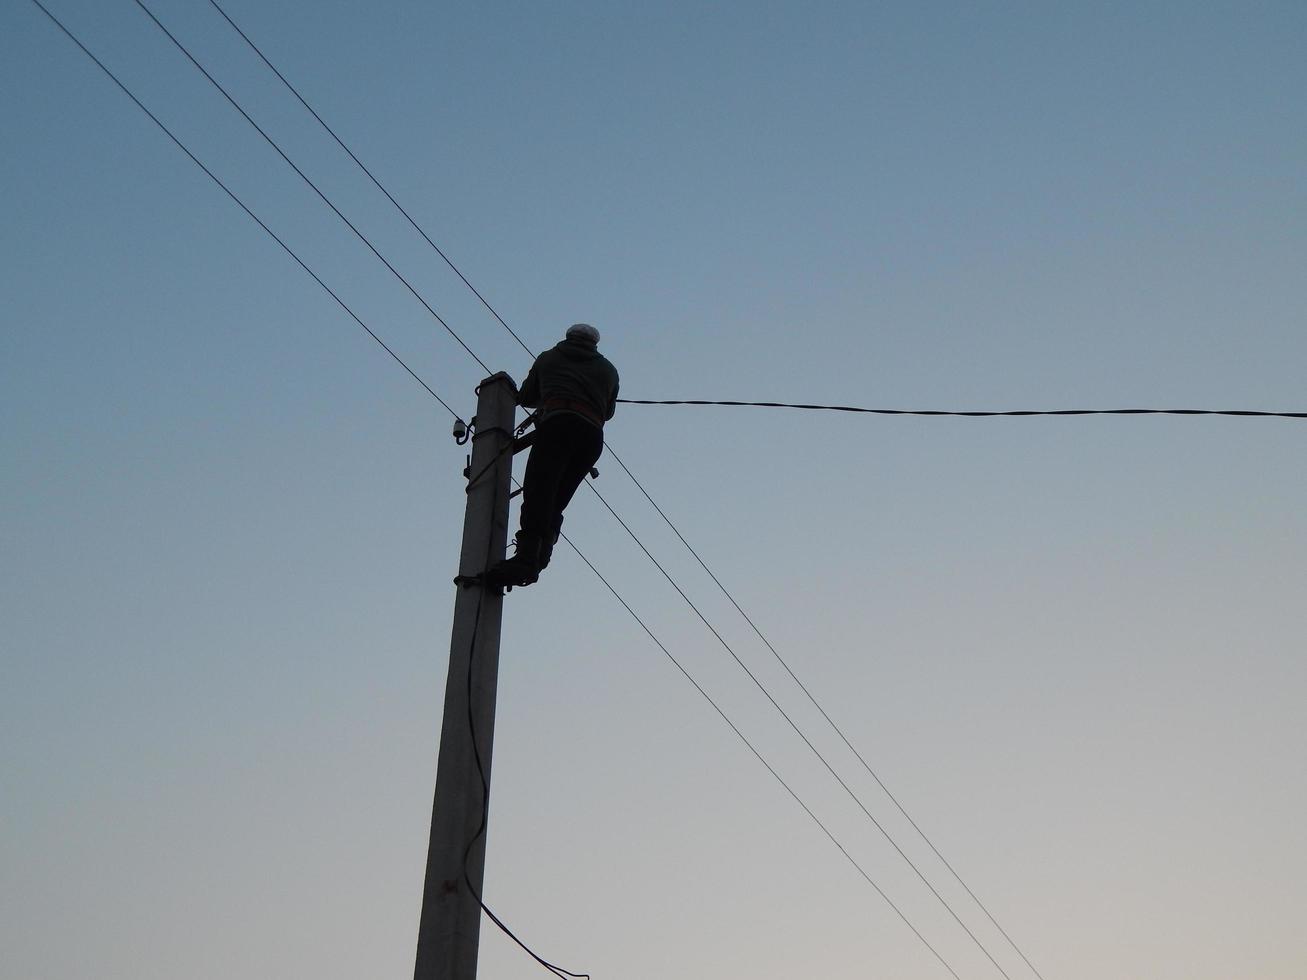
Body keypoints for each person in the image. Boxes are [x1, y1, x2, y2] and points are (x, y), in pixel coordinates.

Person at [487, 323, 619, 587]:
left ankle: (526, 559)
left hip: (557, 426)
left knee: (539, 494)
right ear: (595, 344)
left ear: (568, 337)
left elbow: (525, 396)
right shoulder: (609, 370)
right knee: (557, 500)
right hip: (591, 436)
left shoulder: (549, 358)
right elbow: (608, 412)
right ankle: (541, 557)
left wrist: (553, 394)